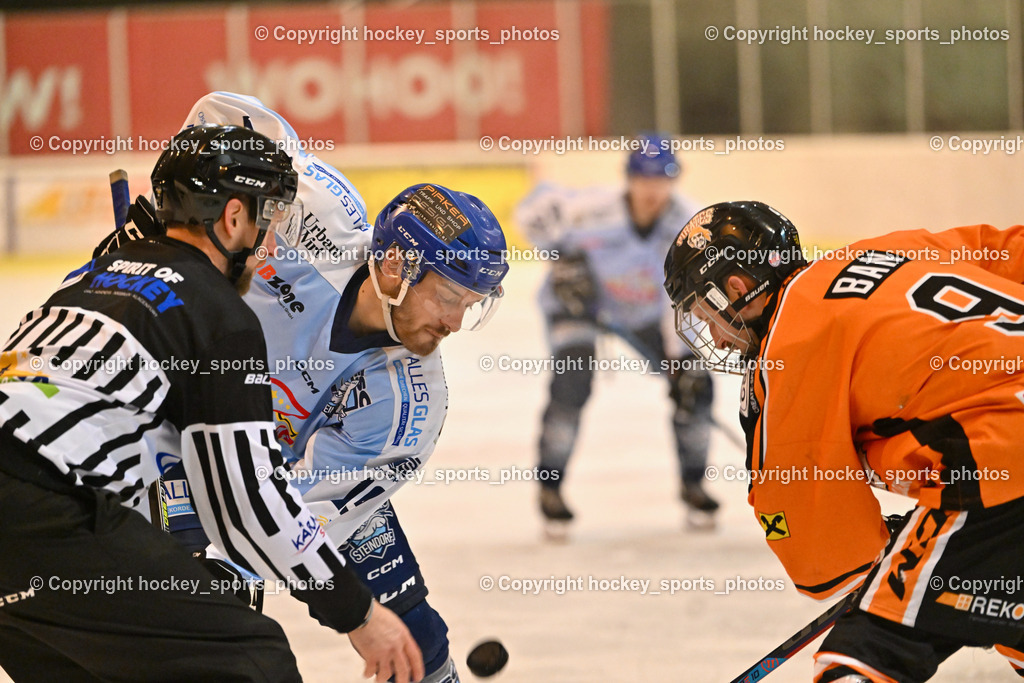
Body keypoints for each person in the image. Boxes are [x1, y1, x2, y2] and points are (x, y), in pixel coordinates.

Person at [0, 125, 423, 682]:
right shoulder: (218, 315)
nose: (269, 243)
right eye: (266, 218)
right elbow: (246, 499)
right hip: (41, 510)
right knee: (255, 661)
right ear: (231, 218)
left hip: (29, 521)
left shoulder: (89, 277)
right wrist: (358, 611)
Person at [146, 92, 509, 683]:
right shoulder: (319, 213)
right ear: (395, 267)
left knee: (413, 632)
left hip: (268, 470)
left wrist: (238, 565)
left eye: (469, 306)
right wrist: (173, 216)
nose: (455, 323)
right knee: (188, 619)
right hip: (173, 426)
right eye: (447, 298)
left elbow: (307, 504)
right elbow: (219, 115)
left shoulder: (410, 404)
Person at [663, 200, 1024, 682]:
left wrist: (881, 551)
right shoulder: (890, 250)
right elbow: (1005, 249)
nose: (716, 336)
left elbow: (809, 531)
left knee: (870, 651)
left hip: (1000, 452)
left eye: (707, 311)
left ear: (737, 287)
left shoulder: (787, 350)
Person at [517, 134, 718, 529]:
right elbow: (532, 211)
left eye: (661, 179)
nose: (652, 190)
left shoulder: (688, 226)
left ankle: (694, 484)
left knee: (695, 384)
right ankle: (550, 487)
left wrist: (679, 362)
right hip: (577, 305)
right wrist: (562, 261)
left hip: (644, 312)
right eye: (643, 179)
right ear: (628, 178)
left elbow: (679, 300)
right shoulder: (591, 210)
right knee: (572, 383)